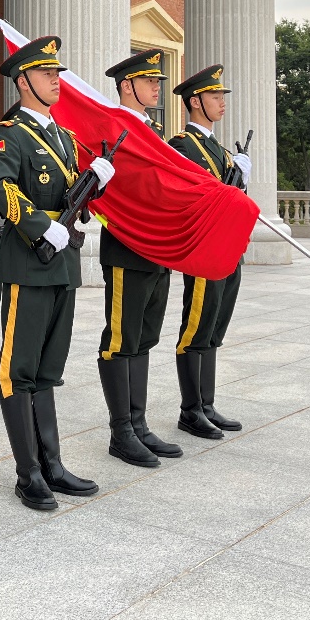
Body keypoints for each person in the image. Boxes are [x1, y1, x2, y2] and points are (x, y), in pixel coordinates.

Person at [0, 36, 113, 510]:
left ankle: (53, 464)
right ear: (23, 81)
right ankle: (28, 473)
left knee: (47, 370)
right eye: (45, 74)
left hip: (62, 267)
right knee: (18, 371)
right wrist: (40, 227)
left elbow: (68, 199)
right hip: (28, 264)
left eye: (56, 73)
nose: (56, 81)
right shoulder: (9, 133)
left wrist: (94, 186)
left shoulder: (63, 137)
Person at [97, 49, 182, 467]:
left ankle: (139, 423)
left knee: (144, 338)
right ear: (126, 86)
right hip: (128, 248)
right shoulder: (114, 128)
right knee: (120, 339)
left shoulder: (153, 129)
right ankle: (121, 432)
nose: (156, 88)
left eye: (158, 82)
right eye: (149, 81)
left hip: (156, 249)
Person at [168, 65, 251, 439]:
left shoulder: (218, 148)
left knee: (216, 327)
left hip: (228, 249)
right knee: (196, 328)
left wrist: (241, 180)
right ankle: (190, 409)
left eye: (222, 96)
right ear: (195, 101)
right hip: (205, 251)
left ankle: (207, 403)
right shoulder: (182, 145)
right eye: (216, 96)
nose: (222, 103)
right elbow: (190, 197)